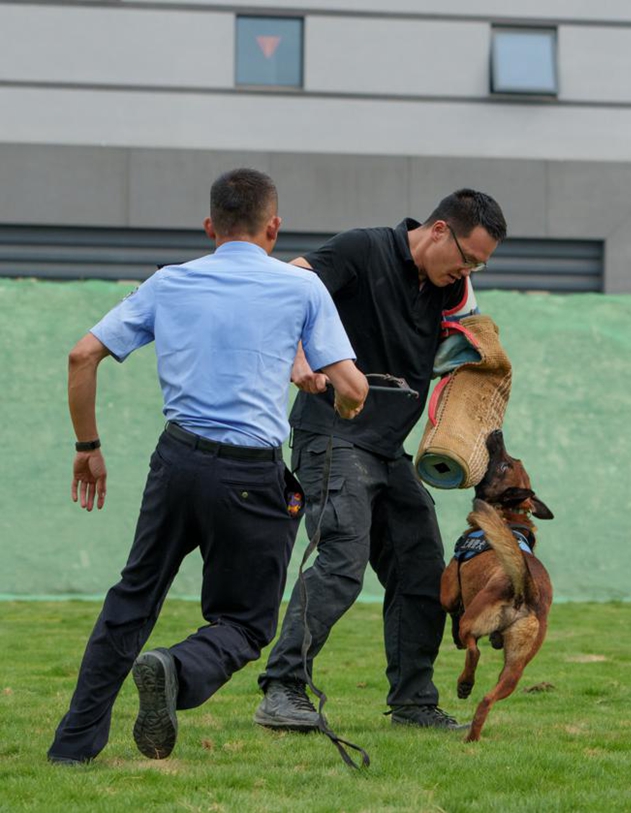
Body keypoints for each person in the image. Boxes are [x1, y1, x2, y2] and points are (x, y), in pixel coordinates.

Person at [47, 168, 369, 765]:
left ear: (209, 228)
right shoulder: (301, 289)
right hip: (250, 477)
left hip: (175, 462)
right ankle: (176, 669)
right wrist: (336, 390)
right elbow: (351, 388)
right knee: (246, 624)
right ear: (274, 228)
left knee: (132, 599)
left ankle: (73, 745)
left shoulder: (169, 283)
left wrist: (86, 447)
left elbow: (81, 355)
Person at [255, 189, 507, 731]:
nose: (469, 271)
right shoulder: (361, 250)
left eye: (479, 265)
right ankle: (283, 689)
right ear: (439, 230)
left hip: (389, 450)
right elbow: (282, 286)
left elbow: (462, 346)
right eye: (466, 258)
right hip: (333, 435)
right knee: (342, 562)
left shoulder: (447, 290)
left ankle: (414, 704)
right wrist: (298, 357)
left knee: (421, 569)